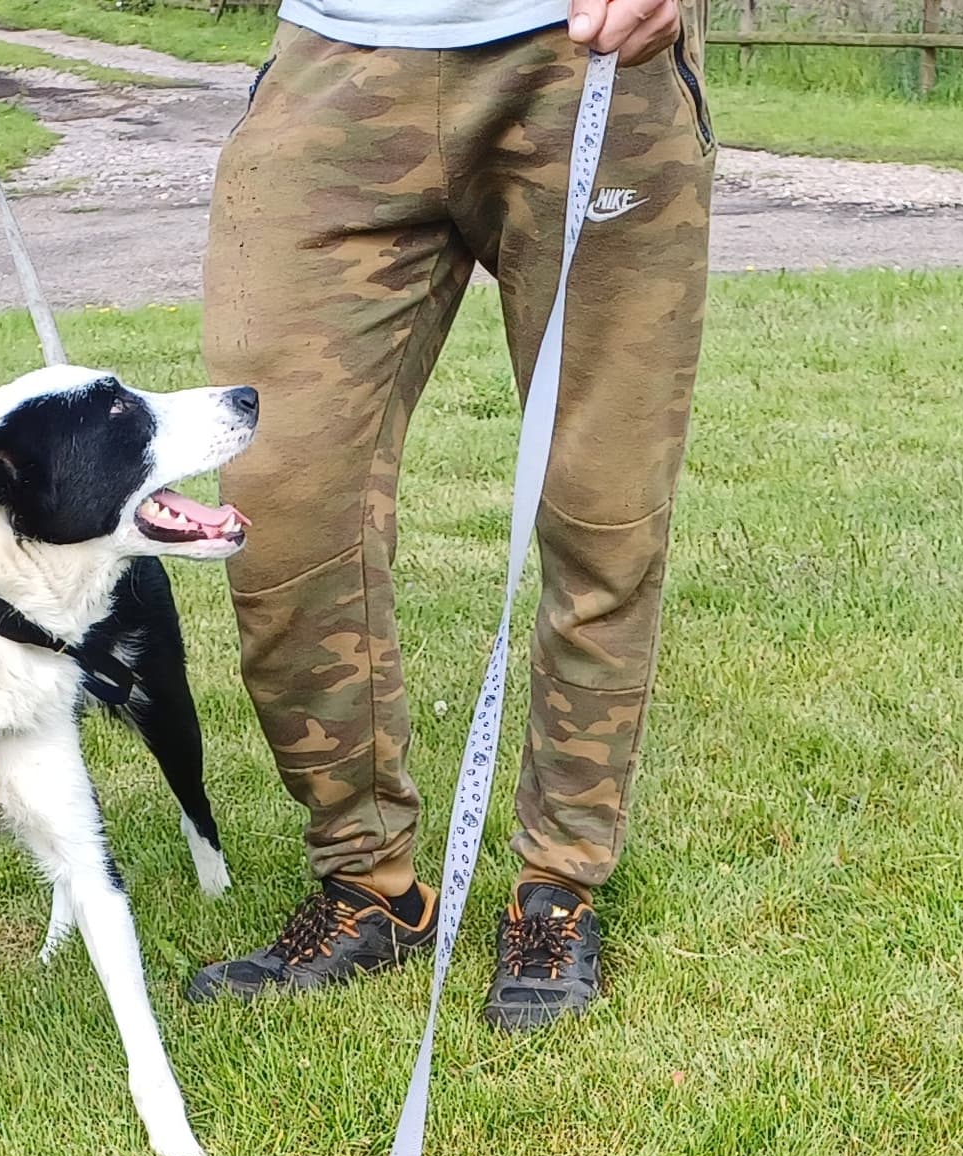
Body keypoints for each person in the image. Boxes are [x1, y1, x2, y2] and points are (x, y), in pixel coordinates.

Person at [182, 0, 707, 1030]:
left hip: (586, 54)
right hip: (338, 63)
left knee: (602, 507)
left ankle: (558, 883)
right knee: (279, 499)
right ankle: (368, 886)